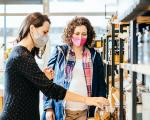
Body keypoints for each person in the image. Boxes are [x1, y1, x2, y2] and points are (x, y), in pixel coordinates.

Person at [0, 12, 109, 120]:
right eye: (44, 32)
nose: (46, 36)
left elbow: (26, 87)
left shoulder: (24, 54)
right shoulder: (21, 56)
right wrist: (87, 100)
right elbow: (51, 89)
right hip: (17, 116)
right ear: (32, 29)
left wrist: (43, 78)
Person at [42, 16, 107, 120]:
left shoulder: (94, 56)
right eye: (77, 33)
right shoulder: (60, 52)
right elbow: (47, 82)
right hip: (62, 112)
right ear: (70, 34)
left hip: (85, 113)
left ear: (88, 35)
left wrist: (101, 108)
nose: (80, 37)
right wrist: (48, 107)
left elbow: (101, 85)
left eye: (84, 34)